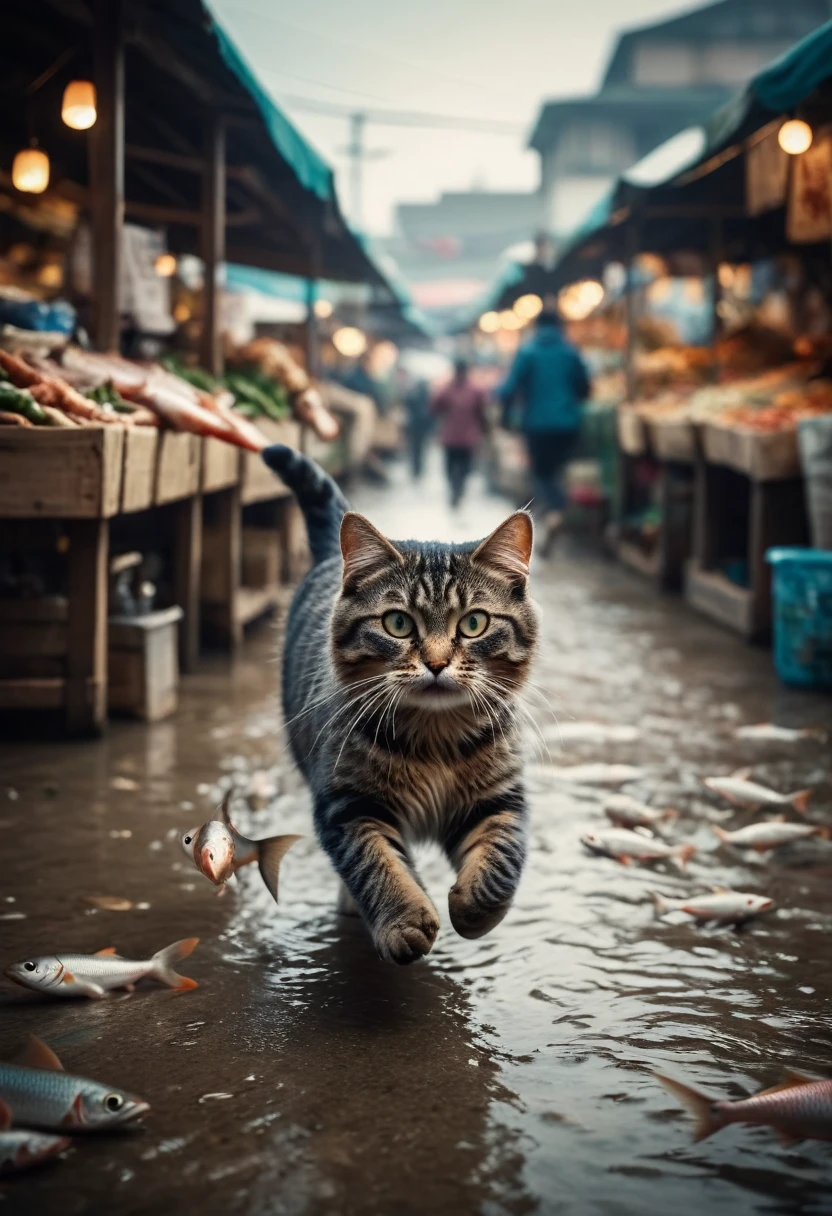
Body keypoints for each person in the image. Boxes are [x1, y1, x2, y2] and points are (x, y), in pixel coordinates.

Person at [498, 310, 591, 553]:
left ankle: (554, 512)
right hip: (569, 425)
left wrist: (505, 417)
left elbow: (508, 389)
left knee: (541, 474)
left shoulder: (528, 352)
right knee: (557, 471)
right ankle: (553, 512)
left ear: (536, 326)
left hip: (537, 425)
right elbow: (584, 388)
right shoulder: (571, 352)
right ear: (560, 326)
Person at [430, 359, 488, 507]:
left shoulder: (447, 389)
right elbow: (482, 413)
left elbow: (434, 408)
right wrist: (484, 429)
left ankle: (456, 490)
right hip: (467, 438)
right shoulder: (475, 390)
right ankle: (458, 490)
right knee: (464, 467)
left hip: (451, 437)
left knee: (451, 468)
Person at [403, 378, 432, 479]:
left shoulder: (413, 395)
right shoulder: (427, 396)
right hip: (422, 426)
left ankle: (416, 468)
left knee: (415, 448)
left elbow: (407, 403)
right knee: (420, 448)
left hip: (415, 425)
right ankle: (418, 468)